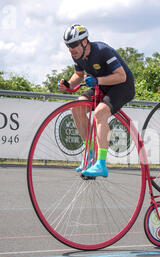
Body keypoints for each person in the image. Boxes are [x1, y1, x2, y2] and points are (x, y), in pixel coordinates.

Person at [58, 24, 135, 177]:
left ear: (84, 41)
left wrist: (98, 80)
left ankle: (101, 164)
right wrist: (68, 84)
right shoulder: (77, 55)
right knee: (76, 108)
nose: (71, 49)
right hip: (102, 85)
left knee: (100, 113)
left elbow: (121, 76)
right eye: (68, 46)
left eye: (73, 45)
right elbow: (78, 75)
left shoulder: (102, 51)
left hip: (122, 86)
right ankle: (90, 154)